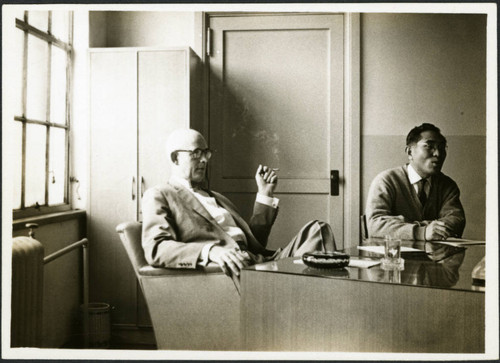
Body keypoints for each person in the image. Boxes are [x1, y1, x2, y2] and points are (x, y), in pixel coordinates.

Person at [142, 128, 336, 279]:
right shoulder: (159, 194)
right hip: (238, 270)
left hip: (260, 261)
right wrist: (211, 251)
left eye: (206, 153)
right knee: (317, 271)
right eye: (196, 153)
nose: (204, 160)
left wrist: (265, 194)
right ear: (175, 158)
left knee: (318, 229)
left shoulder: (218, 198)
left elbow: (255, 242)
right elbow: (156, 248)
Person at [365, 123, 465, 241]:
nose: (438, 153)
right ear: (409, 152)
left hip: (434, 257)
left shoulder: (447, 185)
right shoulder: (386, 181)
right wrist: (421, 232)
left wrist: (404, 224)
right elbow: (375, 225)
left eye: (442, 147)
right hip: (394, 257)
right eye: (429, 146)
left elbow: (456, 221)